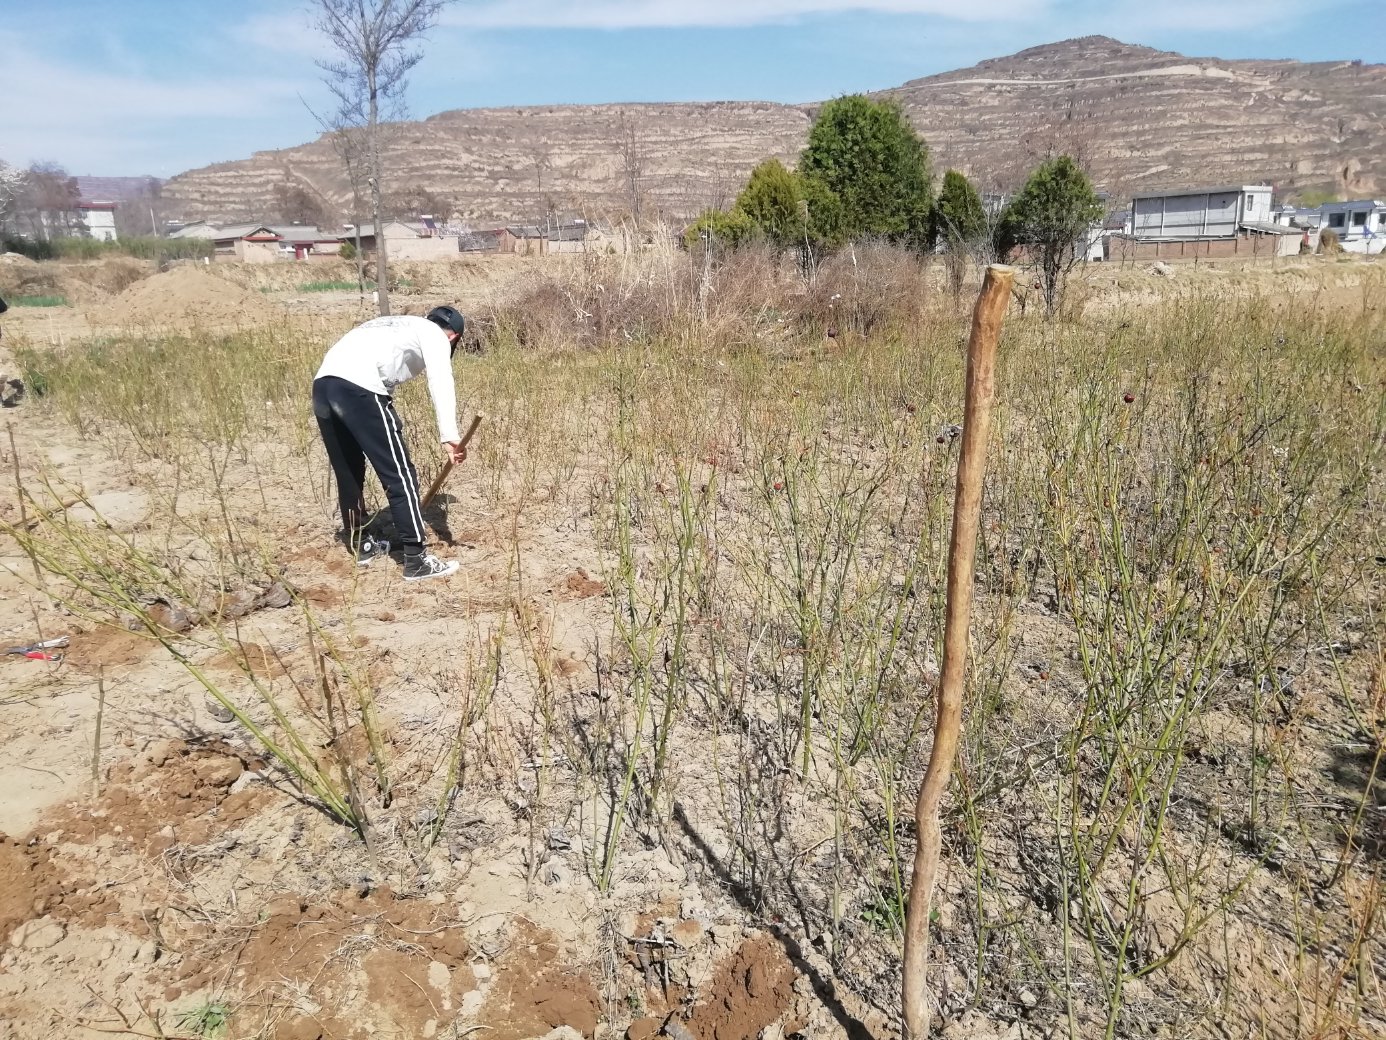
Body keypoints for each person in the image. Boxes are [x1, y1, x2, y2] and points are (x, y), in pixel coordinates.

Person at [312, 305, 468, 581]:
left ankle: (363, 545)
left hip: (323, 385)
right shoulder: (435, 336)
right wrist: (449, 435)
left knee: (349, 472)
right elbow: (441, 379)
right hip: (359, 389)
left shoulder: (397, 325)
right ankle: (416, 560)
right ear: (454, 337)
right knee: (400, 474)